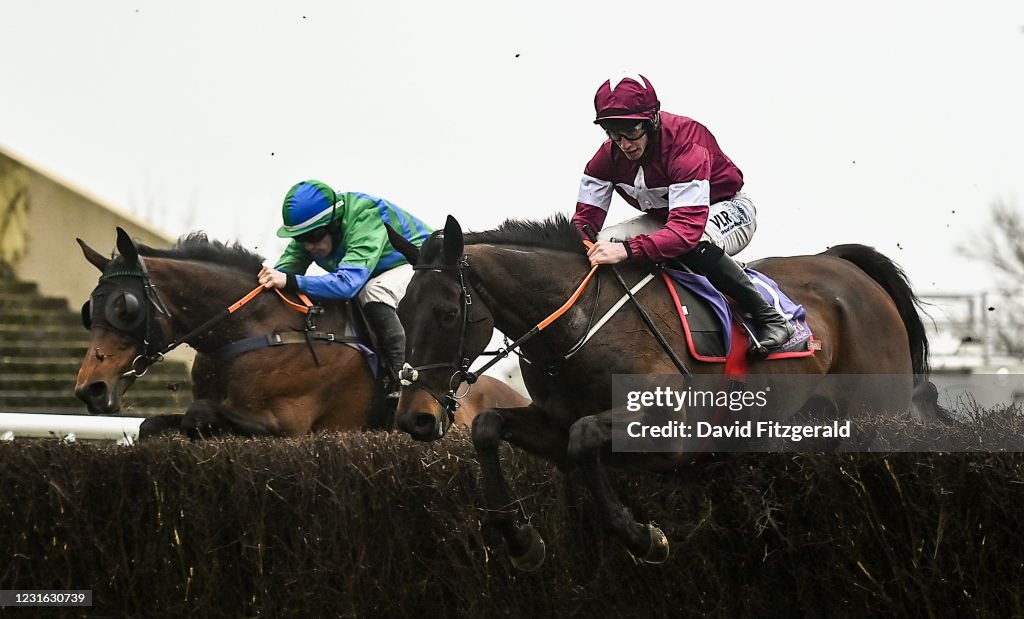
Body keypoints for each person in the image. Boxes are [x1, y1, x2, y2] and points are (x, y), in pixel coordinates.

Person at [572, 72, 795, 350]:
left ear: (652, 119)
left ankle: (770, 317)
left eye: (632, 131)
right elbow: (584, 222)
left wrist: (627, 250)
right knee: (603, 241)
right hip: (668, 220)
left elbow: (685, 232)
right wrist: (584, 244)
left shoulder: (686, 143)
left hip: (727, 208)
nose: (625, 144)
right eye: (614, 133)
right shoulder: (606, 158)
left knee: (690, 244)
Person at [258, 180, 433, 398]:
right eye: (300, 239)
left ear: (334, 224)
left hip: (425, 265)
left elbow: (347, 284)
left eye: (313, 236)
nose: (308, 246)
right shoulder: (311, 235)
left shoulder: (365, 216)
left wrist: (292, 281)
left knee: (373, 292)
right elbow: (280, 275)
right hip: (378, 272)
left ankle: (403, 380)